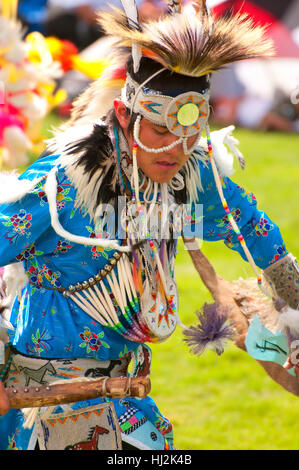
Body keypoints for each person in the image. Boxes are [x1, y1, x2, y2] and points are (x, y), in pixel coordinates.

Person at [0, 1, 298, 451]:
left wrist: (293, 298)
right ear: (124, 115)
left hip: (131, 407)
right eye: (159, 129)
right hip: (42, 408)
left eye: (189, 133)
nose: (174, 149)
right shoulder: (61, 188)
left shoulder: (192, 179)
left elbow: (256, 231)